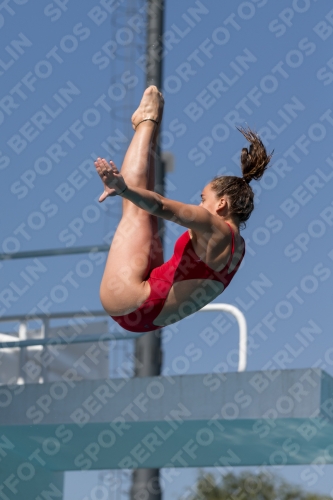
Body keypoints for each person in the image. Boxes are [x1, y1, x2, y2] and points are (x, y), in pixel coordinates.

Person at [94, 86, 272, 333]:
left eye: (203, 199)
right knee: (143, 211)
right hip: (146, 317)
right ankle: (148, 130)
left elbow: (162, 205)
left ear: (222, 204)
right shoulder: (238, 249)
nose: (200, 205)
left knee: (137, 209)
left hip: (132, 300)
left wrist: (123, 189)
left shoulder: (213, 226)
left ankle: (148, 121)